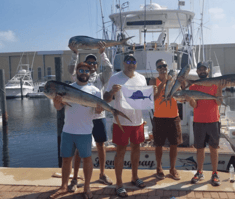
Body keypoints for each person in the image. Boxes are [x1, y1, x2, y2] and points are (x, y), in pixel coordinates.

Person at [50, 62, 103, 199]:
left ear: (90, 73)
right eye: (81, 70)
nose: (84, 72)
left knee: (87, 160)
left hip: (85, 131)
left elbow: (97, 114)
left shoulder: (95, 91)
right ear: (77, 71)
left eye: (87, 70)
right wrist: (56, 101)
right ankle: (63, 185)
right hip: (68, 130)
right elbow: (58, 108)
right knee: (66, 160)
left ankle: (87, 187)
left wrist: (98, 110)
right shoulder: (67, 88)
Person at [67, 40, 113, 191]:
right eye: (89, 63)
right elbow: (71, 69)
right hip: (83, 118)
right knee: (79, 149)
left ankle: (102, 173)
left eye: (94, 63)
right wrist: (75, 53)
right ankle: (74, 178)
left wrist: (103, 52)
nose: (92, 65)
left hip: (99, 117)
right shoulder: (79, 77)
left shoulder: (101, 78)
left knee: (101, 145)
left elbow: (109, 67)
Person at [104, 54, 147, 198]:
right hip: (121, 123)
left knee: (136, 149)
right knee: (120, 152)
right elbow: (106, 99)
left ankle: (135, 177)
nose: (131, 64)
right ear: (123, 63)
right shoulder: (115, 77)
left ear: (136, 64)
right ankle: (119, 184)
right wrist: (111, 92)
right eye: (128, 61)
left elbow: (144, 99)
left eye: (133, 61)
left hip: (137, 122)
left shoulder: (141, 78)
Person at [185, 61, 224, 186]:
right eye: (200, 69)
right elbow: (194, 105)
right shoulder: (193, 86)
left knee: (214, 148)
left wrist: (220, 90)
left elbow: (218, 103)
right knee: (200, 148)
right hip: (199, 121)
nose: (202, 71)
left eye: (204, 69)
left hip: (213, 120)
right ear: (197, 72)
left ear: (208, 70)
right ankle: (199, 172)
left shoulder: (215, 84)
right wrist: (189, 98)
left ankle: (214, 173)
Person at [149, 59, 183, 181]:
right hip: (159, 117)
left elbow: (179, 96)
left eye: (164, 65)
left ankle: (172, 169)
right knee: (159, 145)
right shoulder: (153, 81)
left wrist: (180, 85)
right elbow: (153, 98)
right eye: (160, 66)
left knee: (174, 144)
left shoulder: (173, 80)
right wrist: (163, 83)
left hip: (173, 117)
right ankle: (159, 168)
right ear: (157, 69)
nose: (163, 68)